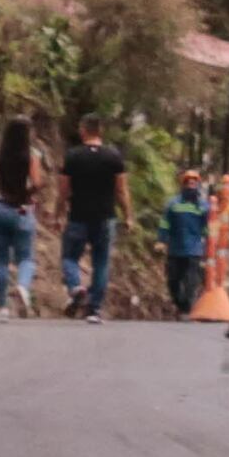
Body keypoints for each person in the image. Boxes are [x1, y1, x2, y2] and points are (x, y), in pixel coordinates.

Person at [57, 117, 128, 319]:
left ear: (83, 131)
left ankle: (76, 287)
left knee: (69, 257)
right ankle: (94, 309)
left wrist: (58, 213)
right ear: (100, 131)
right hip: (106, 217)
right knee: (101, 262)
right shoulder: (114, 157)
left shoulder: (72, 156)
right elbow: (121, 191)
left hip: (78, 216)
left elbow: (63, 190)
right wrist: (128, 215)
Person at [0, 113, 42, 318]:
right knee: (26, 258)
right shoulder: (32, 154)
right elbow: (36, 183)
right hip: (21, 210)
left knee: (0, 260)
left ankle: (2, 308)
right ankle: (22, 286)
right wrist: (28, 196)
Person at [159, 159, 212, 317]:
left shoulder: (203, 207)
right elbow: (165, 223)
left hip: (193, 249)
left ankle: (186, 309)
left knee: (191, 281)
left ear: (198, 185)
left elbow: (208, 228)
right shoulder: (173, 204)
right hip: (175, 249)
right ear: (183, 184)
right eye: (188, 182)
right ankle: (180, 304)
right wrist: (161, 240)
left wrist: (208, 244)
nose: (191, 185)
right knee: (173, 281)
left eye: (194, 182)